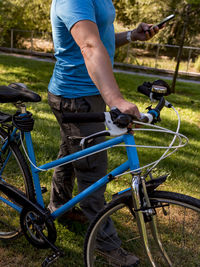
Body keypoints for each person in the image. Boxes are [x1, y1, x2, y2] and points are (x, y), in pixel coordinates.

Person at [48, 0, 162, 265]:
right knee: (92, 170)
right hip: (75, 97)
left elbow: (101, 36)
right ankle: (106, 245)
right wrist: (116, 100)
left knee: (72, 152)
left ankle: (59, 207)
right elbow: (88, 45)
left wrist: (131, 35)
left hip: (89, 93)